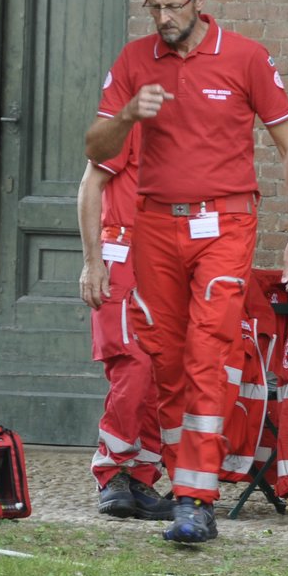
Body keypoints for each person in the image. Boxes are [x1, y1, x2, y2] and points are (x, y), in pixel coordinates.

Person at [86, 0, 288, 545]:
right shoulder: (135, 61)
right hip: (155, 226)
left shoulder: (245, 57)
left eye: (172, 7)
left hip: (226, 222)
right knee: (164, 358)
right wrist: (131, 112)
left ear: (199, 0)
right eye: (153, 7)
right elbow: (94, 147)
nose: (162, 17)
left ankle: (195, 499)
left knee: (209, 351)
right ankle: (181, 479)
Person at [77, 129, 176, 521]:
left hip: (165, 258)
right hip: (122, 255)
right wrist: (92, 260)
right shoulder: (126, 124)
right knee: (132, 366)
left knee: (158, 372)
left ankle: (141, 476)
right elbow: (90, 185)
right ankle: (111, 469)